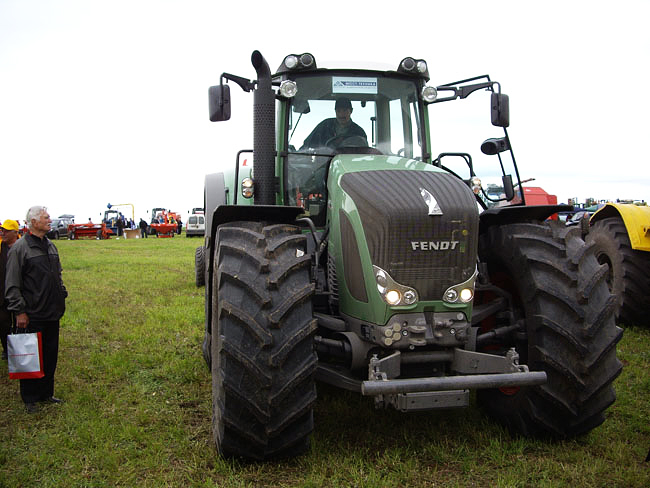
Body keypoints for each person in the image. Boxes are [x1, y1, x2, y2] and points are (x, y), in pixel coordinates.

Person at [5, 206, 67, 413]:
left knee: (50, 355)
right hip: (31, 314)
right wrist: (19, 311)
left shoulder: (50, 246)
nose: (50, 220)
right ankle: (30, 397)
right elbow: (12, 283)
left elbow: (57, 274)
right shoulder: (20, 249)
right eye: (46, 218)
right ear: (33, 222)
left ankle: (46, 393)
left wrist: (61, 291)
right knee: (31, 356)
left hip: (52, 311)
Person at [301, 97, 368, 149]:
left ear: (351, 111)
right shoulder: (324, 126)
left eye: (345, 111)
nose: (341, 114)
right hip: (324, 164)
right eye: (338, 111)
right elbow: (307, 144)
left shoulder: (359, 132)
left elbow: (364, 154)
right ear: (335, 111)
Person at [0, 219, 20, 360]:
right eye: (2, 230)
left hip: (19, 294)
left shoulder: (22, 247)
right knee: (3, 324)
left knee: (20, 324)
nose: (3, 232)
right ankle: (7, 350)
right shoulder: (1, 247)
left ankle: (20, 351)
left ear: (15, 232)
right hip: (2, 295)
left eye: (6, 230)